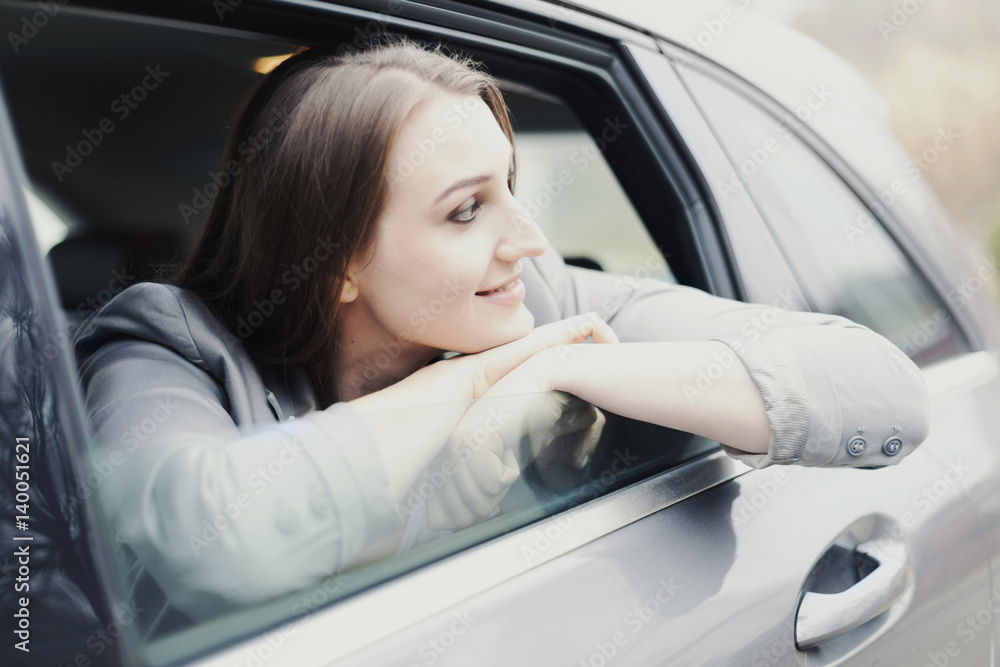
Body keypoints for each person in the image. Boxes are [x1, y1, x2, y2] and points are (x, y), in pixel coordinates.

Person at [74, 38, 930, 635]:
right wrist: (471, 384)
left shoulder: (545, 299)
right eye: (467, 209)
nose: (528, 238)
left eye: (510, 186)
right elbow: (217, 540)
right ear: (333, 261)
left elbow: (880, 388)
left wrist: (563, 365)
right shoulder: (163, 346)